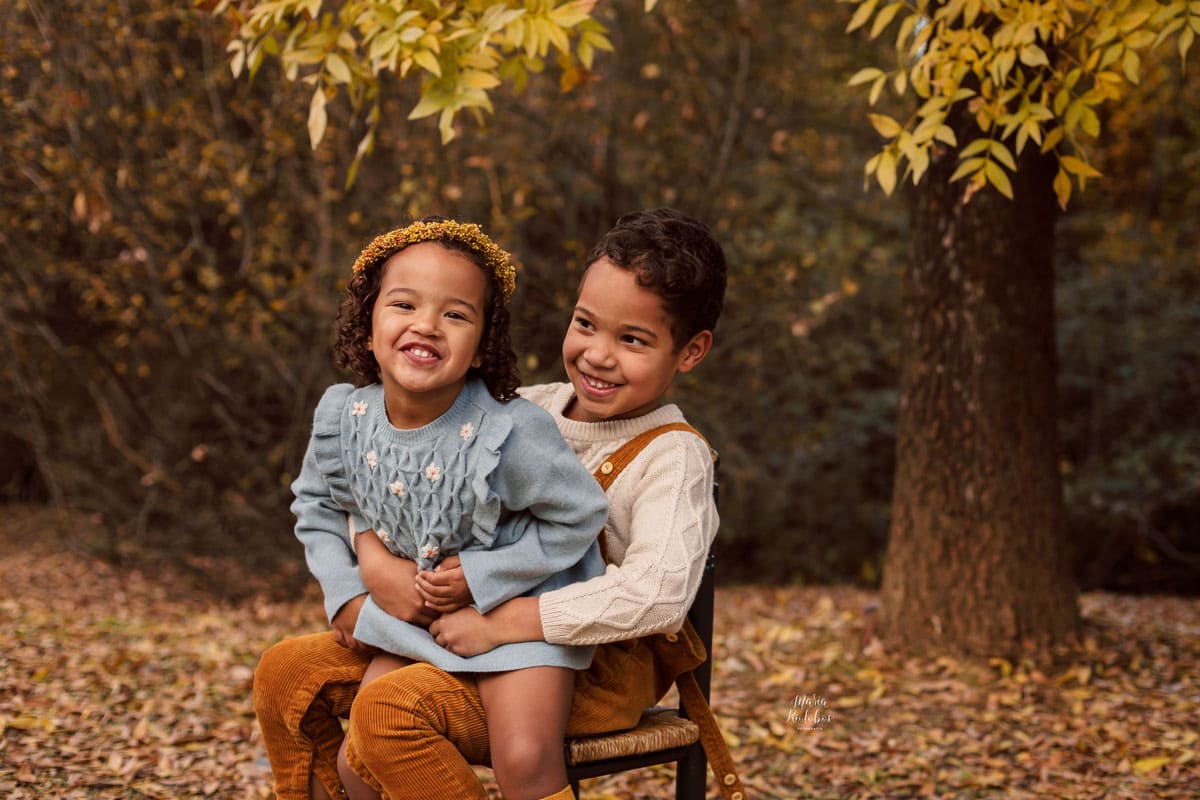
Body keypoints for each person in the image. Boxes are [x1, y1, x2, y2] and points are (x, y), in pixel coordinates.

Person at [254, 208, 745, 800]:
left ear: (690, 351)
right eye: (585, 324)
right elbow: (393, 468)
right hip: (453, 625)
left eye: (632, 339)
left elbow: (657, 596)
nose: (598, 355)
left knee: (387, 713)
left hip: (593, 665)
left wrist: (503, 621)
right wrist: (371, 560)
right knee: (288, 675)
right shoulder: (521, 409)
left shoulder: (675, 455)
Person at [275, 217, 610, 800]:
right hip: (417, 625)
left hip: (519, 619)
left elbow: (579, 516)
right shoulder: (343, 419)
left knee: (525, 759)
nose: (426, 324)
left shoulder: (509, 432)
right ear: (369, 320)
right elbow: (317, 506)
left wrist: (482, 578)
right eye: (403, 304)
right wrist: (347, 594)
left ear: (482, 344)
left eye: (455, 314)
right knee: (362, 761)